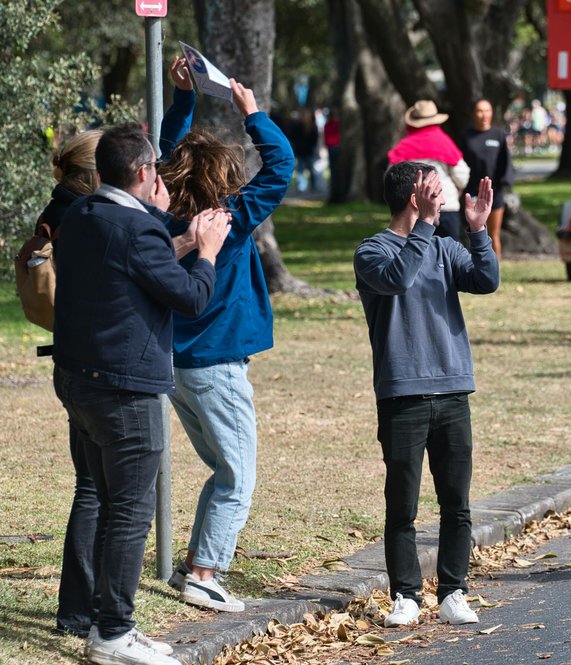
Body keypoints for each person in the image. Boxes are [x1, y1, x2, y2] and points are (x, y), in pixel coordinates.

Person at [53, 122, 230, 665]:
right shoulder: (137, 231)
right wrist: (207, 251)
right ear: (145, 171)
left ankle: (89, 617)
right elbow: (192, 299)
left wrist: (173, 237)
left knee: (100, 498)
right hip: (125, 390)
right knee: (131, 510)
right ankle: (113, 633)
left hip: (79, 382)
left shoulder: (80, 214)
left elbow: (129, 268)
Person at [156, 56, 295, 612]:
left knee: (223, 466)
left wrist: (184, 100)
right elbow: (281, 166)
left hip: (174, 362)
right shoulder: (227, 219)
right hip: (215, 364)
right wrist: (253, 113)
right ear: (224, 178)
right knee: (237, 473)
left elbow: (169, 152)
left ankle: (195, 563)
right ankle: (205, 573)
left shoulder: (164, 218)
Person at [354, 164, 500, 626]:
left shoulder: (444, 247)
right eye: (436, 189)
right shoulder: (372, 251)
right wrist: (424, 226)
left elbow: (486, 280)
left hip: (454, 389)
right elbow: (398, 277)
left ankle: (454, 591)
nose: (446, 196)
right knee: (403, 504)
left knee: (456, 501)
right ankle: (407, 596)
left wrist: (478, 232)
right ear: (415, 197)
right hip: (402, 394)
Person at [34, 129, 103, 640]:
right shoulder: (87, 215)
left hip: (70, 361)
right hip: (97, 363)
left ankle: (79, 608)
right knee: (103, 493)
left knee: (90, 488)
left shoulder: (58, 210)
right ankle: (87, 610)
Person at [388, 100, 470, 242]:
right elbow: (462, 175)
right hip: (446, 206)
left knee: (418, 253)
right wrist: (458, 189)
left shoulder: (404, 145)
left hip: (414, 210)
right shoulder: (444, 142)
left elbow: (392, 176)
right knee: (449, 255)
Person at [461, 98, 514, 261]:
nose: (484, 115)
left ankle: (495, 271)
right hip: (472, 192)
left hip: (494, 192)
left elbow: (506, 163)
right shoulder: (466, 136)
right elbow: (460, 164)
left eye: (487, 110)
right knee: (475, 233)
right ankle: (473, 268)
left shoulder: (498, 135)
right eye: (480, 111)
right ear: (473, 114)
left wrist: (505, 183)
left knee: (493, 234)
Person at [324, 107, 342, 204]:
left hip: (332, 148)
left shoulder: (329, 125)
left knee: (334, 171)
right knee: (335, 172)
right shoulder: (337, 124)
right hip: (335, 147)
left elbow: (326, 139)